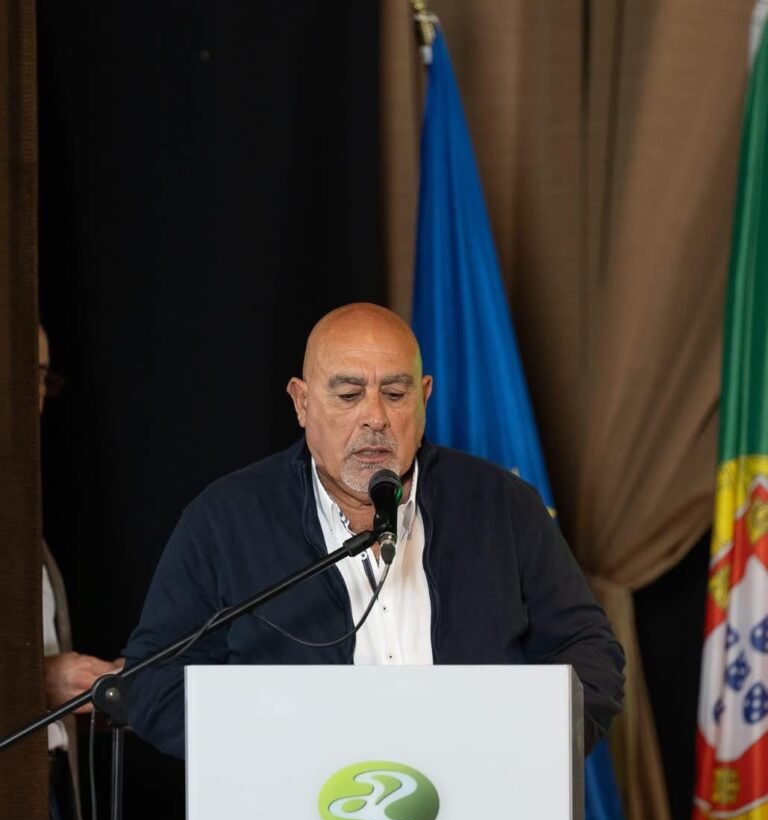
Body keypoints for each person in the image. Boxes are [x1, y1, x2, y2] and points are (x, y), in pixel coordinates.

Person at [124, 303, 624, 758]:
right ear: (301, 402)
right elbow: (154, 682)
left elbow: (590, 653)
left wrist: (514, 746)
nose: (375, 418)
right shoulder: (225, 520)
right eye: (347, 394)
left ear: (424, 397)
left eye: (395, 393)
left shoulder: (503, 506)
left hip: (476, 814)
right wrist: (276, 748)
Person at [39, 326, 119, 820]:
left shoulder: (18, 501)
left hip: (46, 791)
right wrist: (37, 681)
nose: (38, 392)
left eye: (44, 375)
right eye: (26, 371)